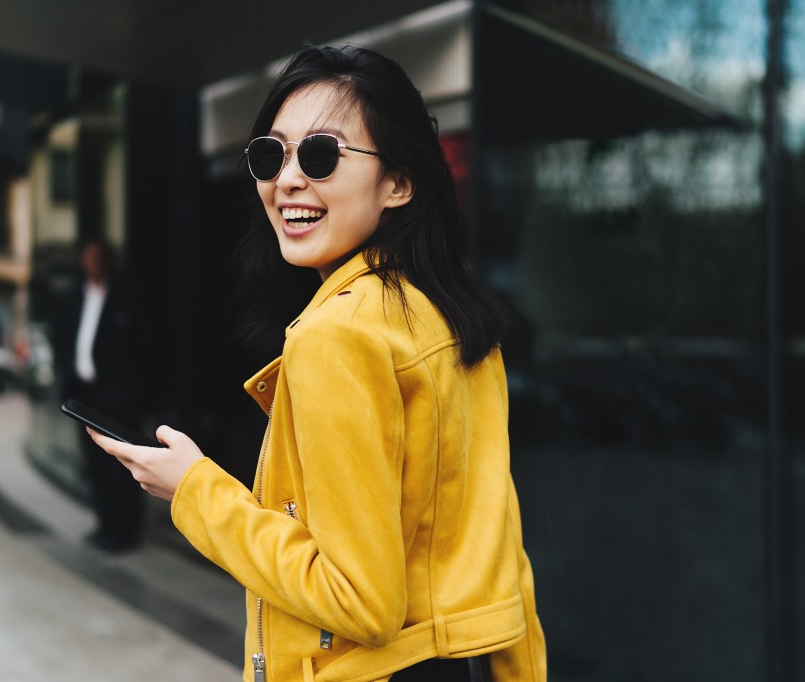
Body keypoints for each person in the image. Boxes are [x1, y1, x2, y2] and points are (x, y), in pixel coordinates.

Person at [87, 45, 546, 680]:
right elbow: (502, 562)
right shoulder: (456, 318)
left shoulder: (339, 336)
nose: (288, 180)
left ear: (399, 182)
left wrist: (194, 490)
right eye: (269, 155)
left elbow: (360, 600)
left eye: (322, 154)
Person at [54, 239, 146, 552]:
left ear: (107, 261)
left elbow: (143, 349)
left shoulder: (126, 296)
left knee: (122, 467)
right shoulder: (75, 296)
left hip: (118, 398)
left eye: (98, 258)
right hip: (85, 394)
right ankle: (105, 524)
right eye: (88, 257)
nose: (92, 264)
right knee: (94, 464)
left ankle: (126, 532)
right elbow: (63, 338)